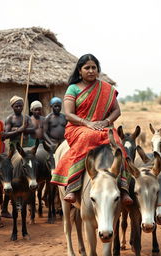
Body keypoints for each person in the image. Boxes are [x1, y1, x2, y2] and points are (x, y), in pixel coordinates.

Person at [51, 54, 132, 205]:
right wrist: (88, 123)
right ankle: (73, 187)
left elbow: (116, 111)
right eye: (86, 68)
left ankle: (124, 187)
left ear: (98, 70)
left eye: (94, 67)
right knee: (87, 137)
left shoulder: (106, 88)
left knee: (118, 142)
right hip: (78, 127)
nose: (90, 71)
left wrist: (105, 121)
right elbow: (68, 114)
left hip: (102, 126)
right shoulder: (73, 88)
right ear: (79, 71)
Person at [2, 96, 35, 218]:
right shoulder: (9, 118)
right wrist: (18, 130)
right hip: (13, 150)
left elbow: (32, 130)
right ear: (12, 107)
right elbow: (5, 135)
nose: (19, 108)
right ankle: (5, 207)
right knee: (10, 178)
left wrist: (24, 129)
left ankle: (28, 204)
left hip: (24, 150)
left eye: (21, 105)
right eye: (17, 106)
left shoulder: (26, 118)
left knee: (28, 174)